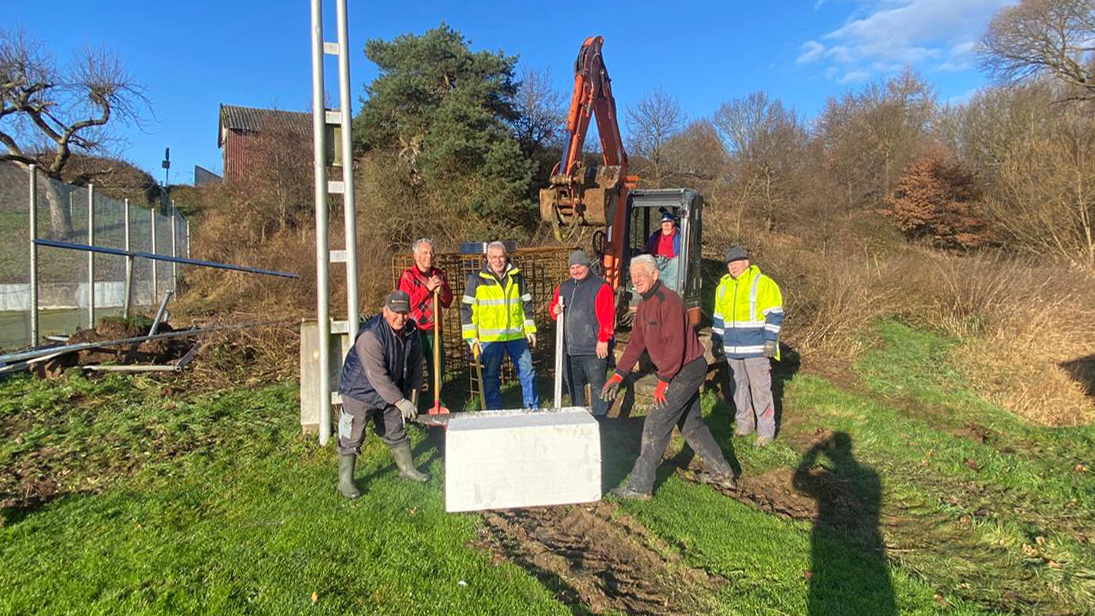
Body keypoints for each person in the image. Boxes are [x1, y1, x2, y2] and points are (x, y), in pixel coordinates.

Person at [600, 255, 737, 500]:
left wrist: (663, 382)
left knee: (655, 422)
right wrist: (618, 375)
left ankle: (639, 486)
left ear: (655, 275)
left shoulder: (669, 301)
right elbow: (635, 344)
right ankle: (722, 473)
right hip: (677, 371)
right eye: (633, 275)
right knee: (691, 424)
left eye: (641, 273)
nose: (636, 279)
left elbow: (676, 345)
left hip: (685, 370)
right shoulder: (643, 305)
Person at [336, 291, 429, 500]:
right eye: (395, 312)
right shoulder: (371, 336)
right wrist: (399, 400)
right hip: (359, 390)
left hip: (390, 389)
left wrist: (413, 397)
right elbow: (376, 375)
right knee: (352, 435)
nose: (400, 317)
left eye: (405, 313)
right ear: (385, 311)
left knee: (395, 429)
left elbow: (416, 365)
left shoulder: (412, 331)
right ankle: (345, 483)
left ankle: (407, 469)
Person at [712, 246, 784, 447]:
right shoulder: (723, 286)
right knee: (738, 388)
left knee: (761, 390)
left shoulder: (762, 283)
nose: (732, 266)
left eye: (736, 262)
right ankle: (745, 425)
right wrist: (716, 340)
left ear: (746, 262)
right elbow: (719, 317)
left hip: (756, 348)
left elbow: (774, 314)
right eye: (729, 263)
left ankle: (766, 432)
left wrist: (770, 341)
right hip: (733, 349)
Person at [461, 241, 539, 410]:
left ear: (506, 257)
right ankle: (494, 410)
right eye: (494, 257)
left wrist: (530, 329)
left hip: (516, 335)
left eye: (501, 257)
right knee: (490, 376)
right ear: (487, 258)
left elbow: (526, 303)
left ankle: (532, 407)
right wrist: (471, 338)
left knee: (528, 372)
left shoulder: (517, 277)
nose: (498, 261)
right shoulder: (476, 280)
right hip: (491, 338)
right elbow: (467, 310)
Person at [549, 249, 614, 416]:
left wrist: (603, 339)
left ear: (587, 266)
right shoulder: (564, 287)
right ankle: (577, 417)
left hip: (593, 348)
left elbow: (607, 316)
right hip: (570, 349)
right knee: (574, 385)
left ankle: (600, 420)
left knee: (597, 385)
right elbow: (554, 308)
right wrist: (554, 310)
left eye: (579, 267)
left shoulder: (600, 287)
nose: (576, 271)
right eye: (572, 268)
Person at [397, 238, 453, 403]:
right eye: (424, 253)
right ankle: (412, 404)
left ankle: (436, 402)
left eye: (431, 252)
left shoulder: (438, 274)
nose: (429, 256)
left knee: (437, 370)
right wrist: (426, 289)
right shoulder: (408, 276)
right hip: (415, 331)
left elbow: (448, 301)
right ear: (416, 255)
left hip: (435, 331)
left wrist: (441, 291)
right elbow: (406, 304)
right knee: (413, 370)